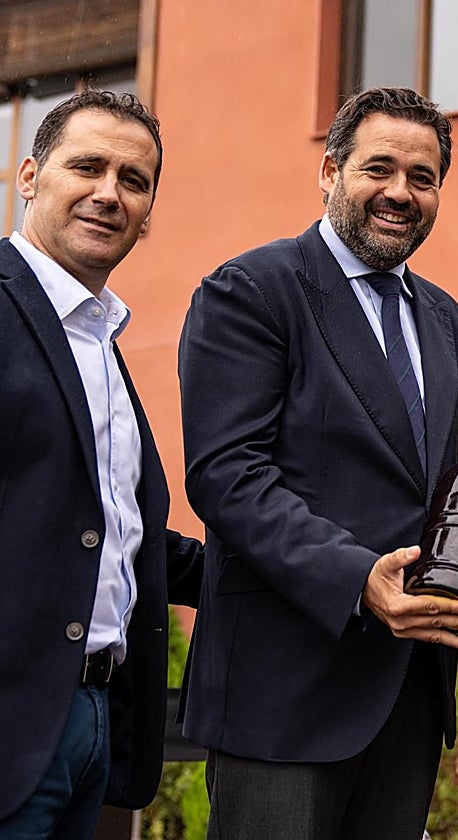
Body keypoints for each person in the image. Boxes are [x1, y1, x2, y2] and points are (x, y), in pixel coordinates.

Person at [178, 88, 458, 840]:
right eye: (379, 168)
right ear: (329, 171)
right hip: (284, 692)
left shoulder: (452, 322)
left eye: (422, 177)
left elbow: (442, 483)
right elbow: (229, 476)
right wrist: (357, 579)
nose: (400, 192)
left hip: (409, 694)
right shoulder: (252, 291)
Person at [0, 90, 204, 838]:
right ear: (29, 177)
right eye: (87, 167)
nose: (109, 193)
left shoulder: (99, 340)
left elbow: (116, 532)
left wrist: (325, 576)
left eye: (133, 180)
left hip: (95, 719)